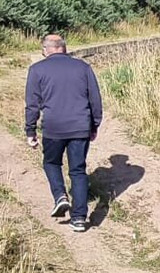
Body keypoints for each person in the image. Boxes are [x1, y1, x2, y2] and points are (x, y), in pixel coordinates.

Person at [24, 34, 103, 232]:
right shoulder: (83, 67)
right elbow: (95, 99)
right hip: (80, 126)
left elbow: (32, 104)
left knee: (51, 163)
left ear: (45, 50)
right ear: (64, 48)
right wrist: (94, 125)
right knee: (77, 170)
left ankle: (60, 196)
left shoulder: (37, 70)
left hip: (53, 127)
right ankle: (79, 218)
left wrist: (30, 130)